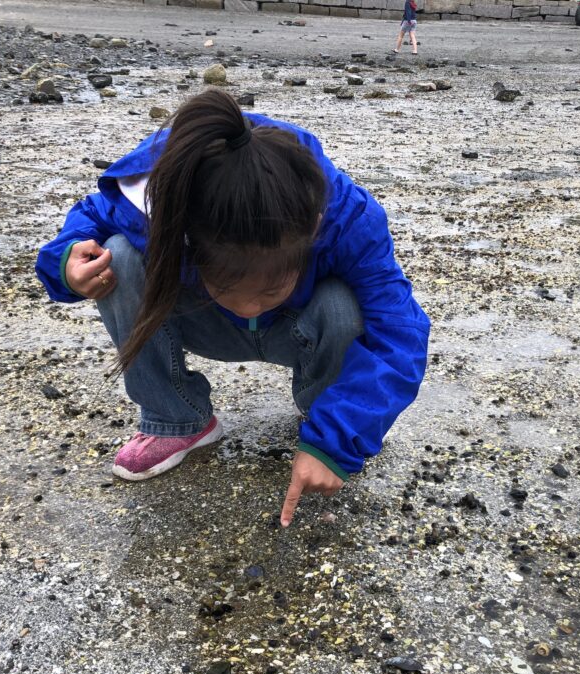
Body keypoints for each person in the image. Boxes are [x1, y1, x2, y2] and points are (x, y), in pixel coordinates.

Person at [35, 90, 430, 528]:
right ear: (187, 234)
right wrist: (66, 261)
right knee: (118, 258)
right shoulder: (157, 205)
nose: (247, 306)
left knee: (346, 307)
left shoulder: (348, 217)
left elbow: (400, 331)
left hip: (297, 329)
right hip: (201, 321)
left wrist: (338, 438)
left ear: (313, 229)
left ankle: (323, 411)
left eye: (267, 289)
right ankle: (177, 418)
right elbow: (90, 216)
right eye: (231, 287)